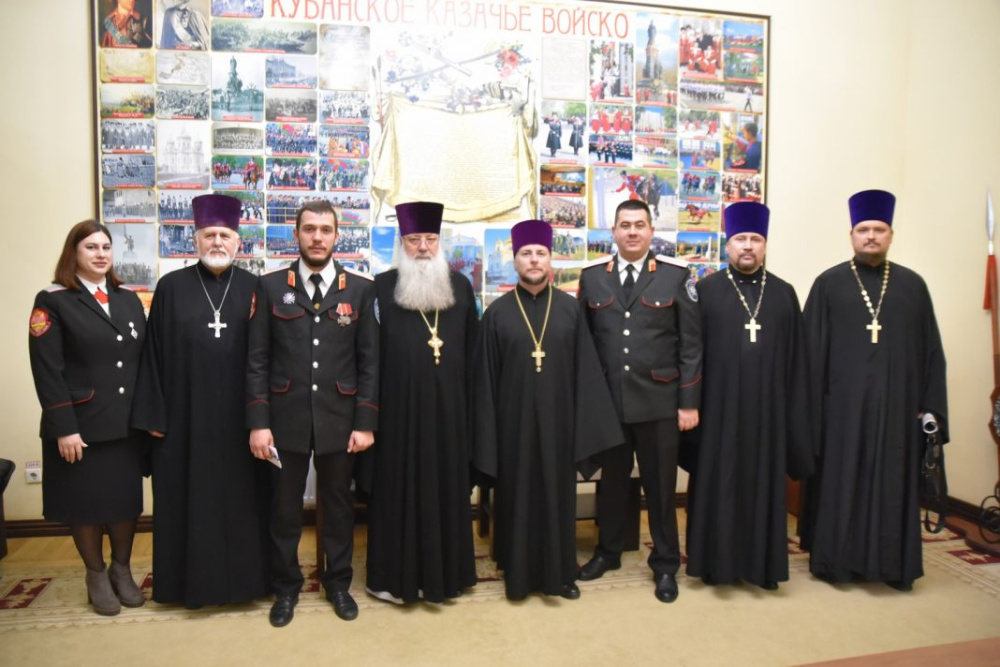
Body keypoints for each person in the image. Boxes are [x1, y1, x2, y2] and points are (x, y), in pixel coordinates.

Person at [799, 189, 948, 591]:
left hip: (899, 412)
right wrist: (812, 416)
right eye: (863, 229)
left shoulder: (913, 286)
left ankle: (893, 567)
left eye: (878, 230)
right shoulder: (828, 284)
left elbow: (932, 352)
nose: (870, 236)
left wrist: (930, 410)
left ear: (890, 235)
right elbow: (809, 357)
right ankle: (836, 565)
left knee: (892, 485)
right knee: (841, 483)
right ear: (851, 235)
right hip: (841, 413)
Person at [132, 194, 270, 607]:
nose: (217, 242)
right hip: (183, 420)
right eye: (209, 235)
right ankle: (185, 586)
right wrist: (154, 416)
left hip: (240, 420)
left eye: (225, 235)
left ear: (238, 242)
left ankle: (247, 586)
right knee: (186, 502)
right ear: (195, 240)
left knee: (243, 502)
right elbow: (152, 355)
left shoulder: (255, 287)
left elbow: (268, 356)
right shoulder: (170, 287)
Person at [474, 219, 622, 601]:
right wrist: (488, 439)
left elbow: (586, 374)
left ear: (550, 258)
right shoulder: (496, 314)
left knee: (558, 500)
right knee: (517, 500)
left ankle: (561, 576)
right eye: (526, 253)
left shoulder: (571, 310)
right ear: (515, 260)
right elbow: (484, 383)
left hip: (560, 426)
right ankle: (518, 578)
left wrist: (585, 431)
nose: (534, 260)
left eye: (540, 253)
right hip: (513, 428)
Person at [247, 200, 378, 626]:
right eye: (309, 229)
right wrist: (258, 423)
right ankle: (286, 588)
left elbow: (369, 363)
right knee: (284, 509)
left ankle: (338, 584)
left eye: (325, 230)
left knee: (338, 507)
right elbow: (257, 361)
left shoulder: (360, 290)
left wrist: (365, 423)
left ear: (337, 236)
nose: (317, 237)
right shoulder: (270, 287)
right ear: (296, 235)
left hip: (340, 420)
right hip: (284, 421)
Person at [684, 202, 816, 590]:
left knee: (764, 487)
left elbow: (797, 361)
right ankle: (715, 566)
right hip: (718, 412)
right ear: (727, 244)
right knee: (718, 485)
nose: (747, 246)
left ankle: (763, 567)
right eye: (740, 238)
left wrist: (793, 414)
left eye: (755, 239)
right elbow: (691, 354)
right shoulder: (705, 291)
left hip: (768, 414)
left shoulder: (784, 294)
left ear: (765, 245)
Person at [576, 199, 702, 604]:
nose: (632, 232)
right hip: (609, 405)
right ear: (613, 232)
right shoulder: (592, 278)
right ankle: (608, 552)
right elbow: (583, 345)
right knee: (612, 484)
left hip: (659, 403)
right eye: (625, 225)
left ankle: (665, 564)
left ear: (651, 231)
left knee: (661, 489)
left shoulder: (675, 276)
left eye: (640, 225)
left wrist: (688, 403)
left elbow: (691, 346)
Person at [28, 220, 147, 616]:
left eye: (106, 247)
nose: (100, 254)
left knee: (124, 504)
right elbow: (47, 369)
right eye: (91, 247)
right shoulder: (53, 301)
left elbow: (142, 361)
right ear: (74, 254)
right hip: (81, 427)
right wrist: (64, 428)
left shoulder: (128, 299)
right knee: (85, 505)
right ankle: (95, 574)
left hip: (125, 426)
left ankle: (121, 570)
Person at [364, 201, 478, 605]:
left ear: (439, 241)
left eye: (430, 239)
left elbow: (473, 357)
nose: (424, 248)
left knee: (447, 493)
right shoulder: (381, 288)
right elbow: (368, 357)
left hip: (450, 419)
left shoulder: (460, 287)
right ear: (402, 243)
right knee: (397, 495)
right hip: (398, 418)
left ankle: (448, 578)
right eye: (414, 240)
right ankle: (393, 580)